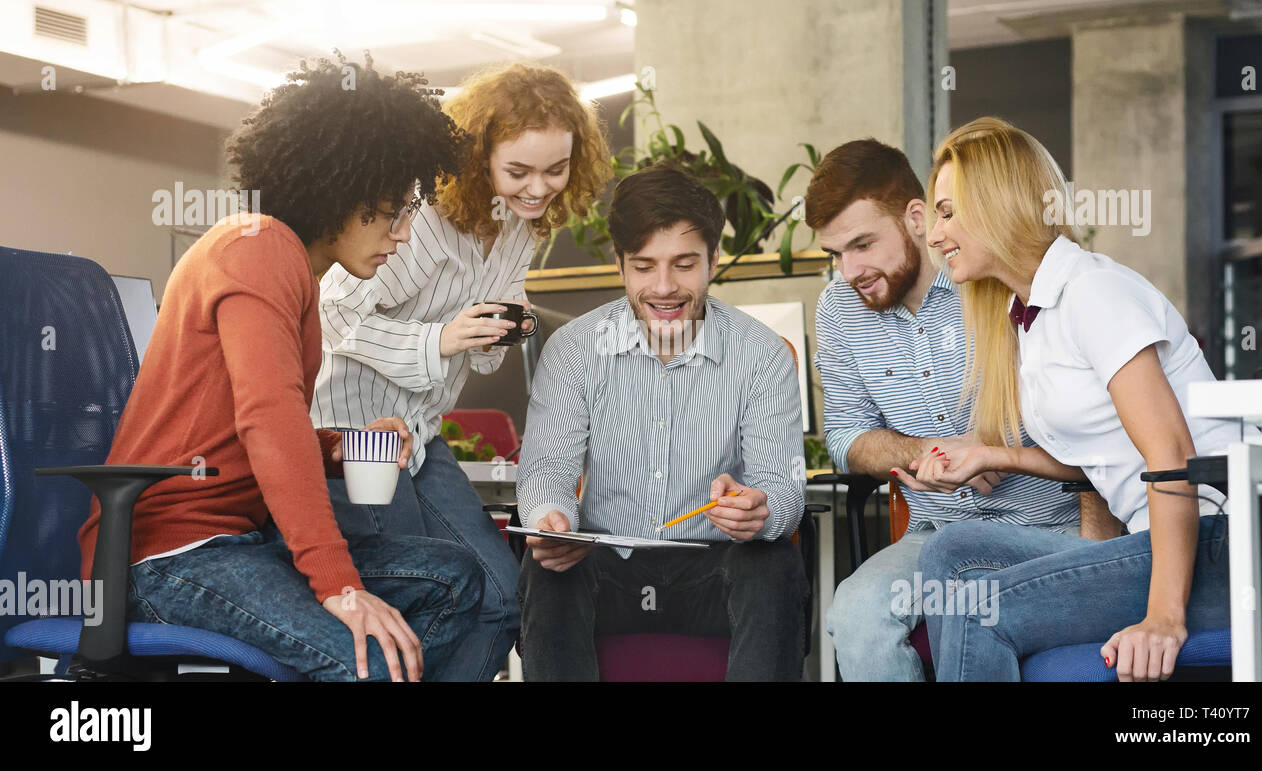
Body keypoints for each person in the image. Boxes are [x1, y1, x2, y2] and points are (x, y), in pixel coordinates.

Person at [77, 53, 484, 682]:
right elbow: (267, 419)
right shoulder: (259, 247)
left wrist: (344, 446)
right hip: (170, 553)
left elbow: (250, 427)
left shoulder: (292, 266)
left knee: (454, 579)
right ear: (340, 189)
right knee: (366, 658)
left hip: (238, 544)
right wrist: (339, 587)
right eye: (391, 210)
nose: (403, 233)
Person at [909, 116, 1262, 681]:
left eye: (947, 212)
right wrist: (993, 455)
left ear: (998, 202)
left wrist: (1163, 617)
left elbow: (1170, 453)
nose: (932, 233)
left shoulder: (1093, 292)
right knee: (950, 551)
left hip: (1241, 543)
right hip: (1164, 534)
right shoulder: (1031, 316)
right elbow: (1110, 451)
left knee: (977, 614)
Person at [309, 62, 612, 680]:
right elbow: (330, 314)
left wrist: (501, 329)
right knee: (416, 596)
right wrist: (438, 339)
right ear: (478, 158)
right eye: (519, 170)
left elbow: (479, 350)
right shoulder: (418, 222)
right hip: (352, 436)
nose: (538, 188)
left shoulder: (515, 227)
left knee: (503, 597)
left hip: (420, 431)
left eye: (556, 170)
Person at [514, 163, 808, 681]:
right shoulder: (573, 349)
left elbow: (781, 489)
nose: (665, 288)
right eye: (645, 266)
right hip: (608, 569)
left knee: (774, 564)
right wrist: (550, 519)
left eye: (685, 264)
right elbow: (548, 473)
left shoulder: (761, 354)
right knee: (548, 570)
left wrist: (761, 510)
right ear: (621, 263)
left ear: (713, 260)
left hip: (715, 570)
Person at [804, 138, 1080, 681]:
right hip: (935, 537)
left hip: (1052, 526)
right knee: (856, 614)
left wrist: (990, 450)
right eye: (835, 254)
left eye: (863, 244)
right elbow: (844, 436)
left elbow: (1094, 430)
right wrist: (923, 452)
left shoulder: (995, 278)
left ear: (914, 218)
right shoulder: (838, 310)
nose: (849, 270)